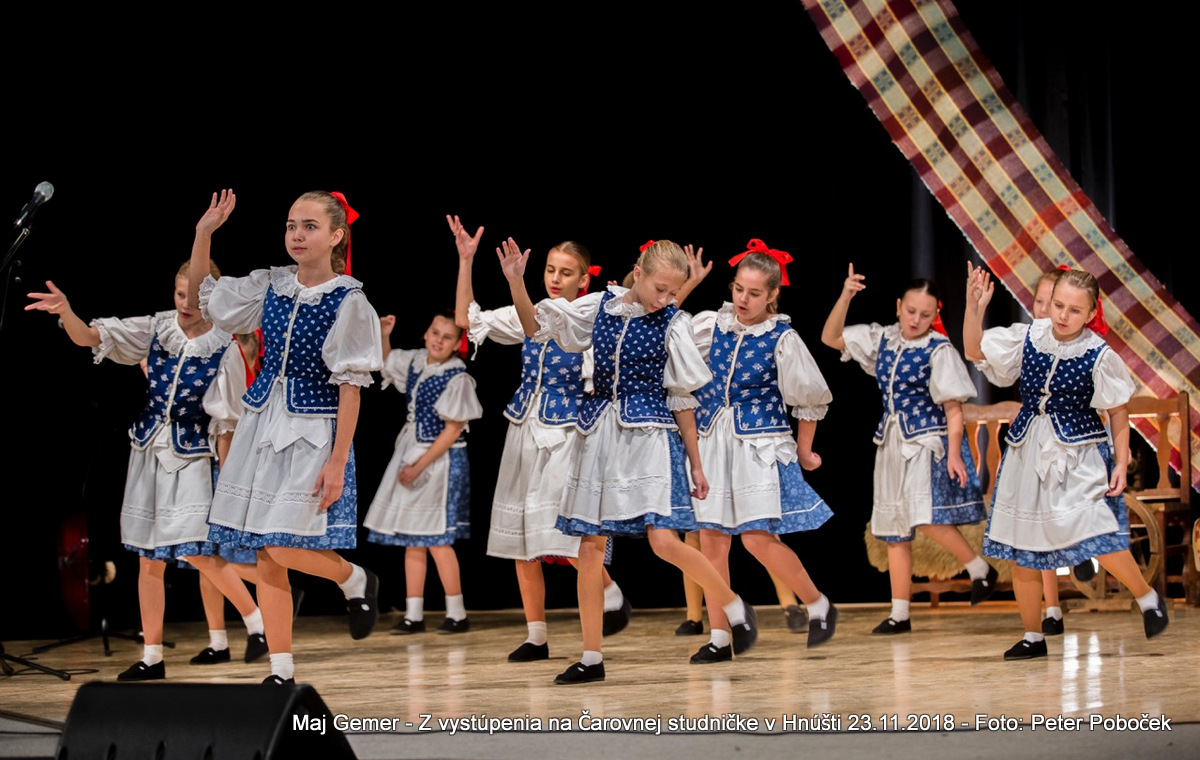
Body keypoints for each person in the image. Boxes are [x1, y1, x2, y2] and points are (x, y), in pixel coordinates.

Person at [500, 237, 759, 684]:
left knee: (663, 541)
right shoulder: (598, 307)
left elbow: (682, 399)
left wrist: (696, 463)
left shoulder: (673, 323)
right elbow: (536, 328)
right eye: (660, 289)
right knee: (589, 548)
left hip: (649, 436)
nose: (667, 299)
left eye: (673, 292)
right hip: (599, 433)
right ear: (637, 275)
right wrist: (516, 283)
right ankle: (591, 658)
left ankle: (734, 605)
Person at [26, 262, 267, 680]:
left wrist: (229, 484)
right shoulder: (157, 328)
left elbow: (227, 424)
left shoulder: (223, 347)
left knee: (196, 549)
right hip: (148, 451)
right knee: (149, 560)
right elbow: (92, 337)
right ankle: (152, 656)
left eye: (195, 299)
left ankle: (256, 621)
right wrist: (66, 311)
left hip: (192, 457)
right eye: (179, 295)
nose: (186, 305)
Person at [189, 189, 384, 685]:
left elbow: (351, 387)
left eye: (310, 226)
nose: (297, 234)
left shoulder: (349, 300)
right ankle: (281, 670)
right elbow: (202, 299)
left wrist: (338, 461)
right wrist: (204, 233)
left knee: (281, 546)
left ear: (336, 236)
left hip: (312, 430)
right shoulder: (271, 285)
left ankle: (353, 577)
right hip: (261, 422)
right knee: (264, 551)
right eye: (292, 225)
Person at [963, 264, 1169, 659]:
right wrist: (975, 308)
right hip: (1027, 449)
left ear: (1090, 313)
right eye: (1058, 305)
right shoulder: (1030, 336)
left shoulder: (1098, 354)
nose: (1062, 315)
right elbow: (975, 350)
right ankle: (1032, 635)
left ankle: (1146, 597)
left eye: (1074, 310)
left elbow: (1118, 411)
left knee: (1093, 531)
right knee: (1023, 545)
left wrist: (1121, 461)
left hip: (1078, 453)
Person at [451, 216, 630, 661]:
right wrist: (466, 260)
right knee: (522, 537)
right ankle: (536, 635)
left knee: (561, 534)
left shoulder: (593, 321)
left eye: (566, 272)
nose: (555, 278)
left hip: (568, 434)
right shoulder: (529, 310)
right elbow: (465, 319)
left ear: (583, 279)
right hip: (525, 428)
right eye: (551, 269)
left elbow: (587, 363)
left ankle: (610, 593)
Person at [821, 265, 996, 634]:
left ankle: (978, 567)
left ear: (935, 315)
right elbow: (831, 337)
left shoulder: (938, 350)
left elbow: (953, 409)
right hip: (891, 441)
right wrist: (847, 295)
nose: (916, 320)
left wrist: (953, 453)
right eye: (911, 311)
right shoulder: (882, 339)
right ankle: (899, 614)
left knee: (922, 515)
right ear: (899, 306)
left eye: (926, 314)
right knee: (894, 526)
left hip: (926, 443)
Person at [689, 242, 838, 661]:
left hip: (758, 445)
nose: (743, 299)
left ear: (772, 294)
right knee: (711, 542)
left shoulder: (781, 338)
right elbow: (672, 341)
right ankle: (721, 637)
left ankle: (817, 603)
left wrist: (805, 451)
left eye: (754, 293)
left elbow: (808, 398)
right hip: (713, 441)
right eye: (739, 289)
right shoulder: (713, 325)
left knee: (756, 539)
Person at [363, 312, 482, 634]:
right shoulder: (417, 361)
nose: (438, 340)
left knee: (437, 540)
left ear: (456, 344)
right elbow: (388, 361)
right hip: (413, 451)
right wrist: (385, 335)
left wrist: (419, 465)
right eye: (435, 332)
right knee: (413, 539)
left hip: (440, 461)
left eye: (447, 336)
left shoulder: (456, 377)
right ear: (426, 334)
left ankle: (457, 613)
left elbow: (452, 430)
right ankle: (413, 614)